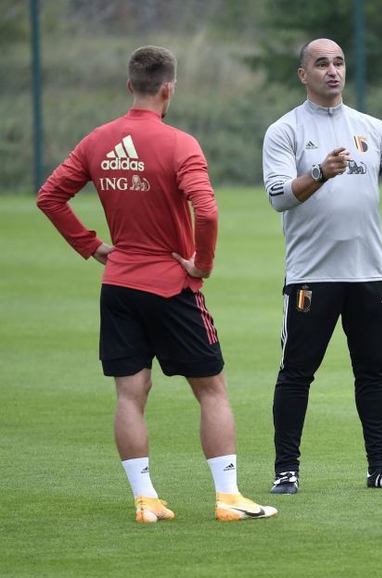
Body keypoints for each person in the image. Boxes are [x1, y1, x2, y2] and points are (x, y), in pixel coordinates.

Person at [36, 46, 277, 523]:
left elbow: (50, 197)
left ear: (130, 86)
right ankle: (229, 499)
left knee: (130, 394)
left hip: (119, 286)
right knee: (212, 390)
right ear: (169, 88)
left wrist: (91, 245)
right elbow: (207, 212)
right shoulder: (180, 144)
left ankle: (146, 501)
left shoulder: (97, 141)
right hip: (171, 287)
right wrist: (202, 264)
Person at [262, 38, 382, 494]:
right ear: (303, 74)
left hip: (369, 274)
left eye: (338, 62)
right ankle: (286, 470)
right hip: (312, 275)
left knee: (373, 374)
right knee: (297, 374)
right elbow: (278, 196)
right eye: (321, 64)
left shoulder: (373, 128)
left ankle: (380, 468)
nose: (332, 70)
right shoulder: (285, 130)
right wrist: (319, 172)